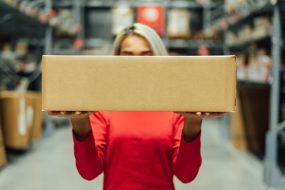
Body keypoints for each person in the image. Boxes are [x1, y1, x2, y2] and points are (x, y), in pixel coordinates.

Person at [50, 23, 224, 190]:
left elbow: (186, 175)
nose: (137, 64)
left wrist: (193, 123)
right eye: (128, 56)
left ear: (159, 58)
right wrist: (79, 123)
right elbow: (89, 172)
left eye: (146, 56)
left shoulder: (175, 107)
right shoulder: (103, 106)